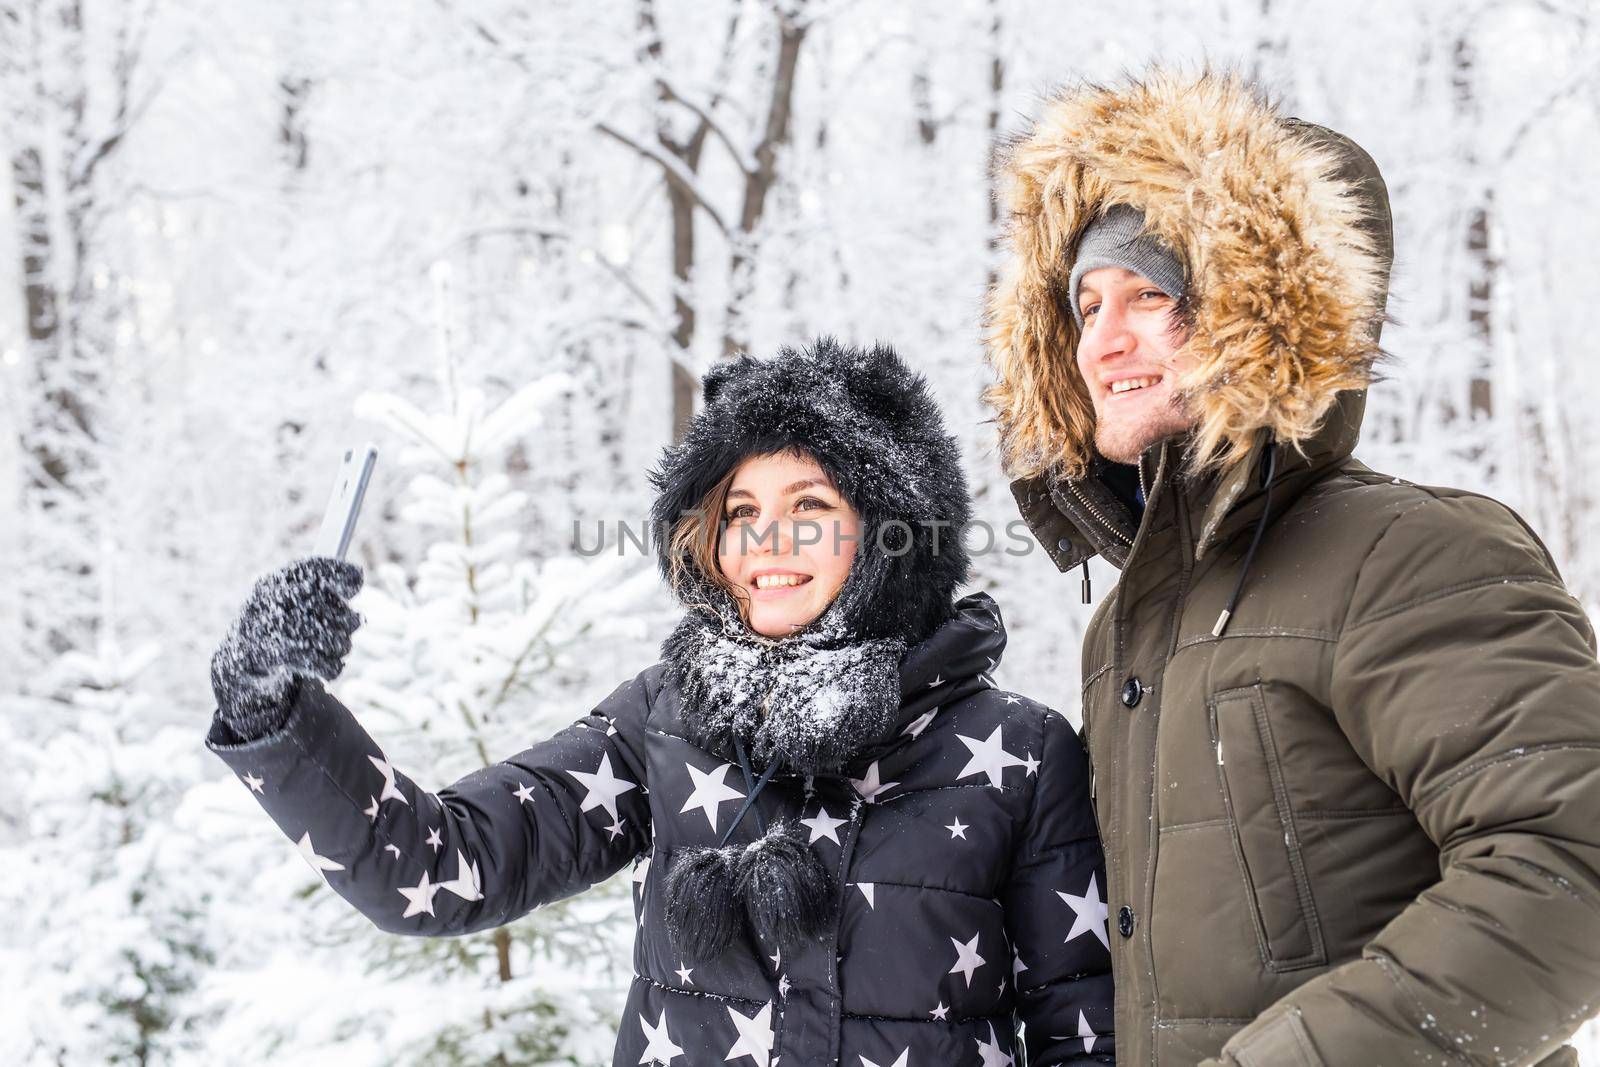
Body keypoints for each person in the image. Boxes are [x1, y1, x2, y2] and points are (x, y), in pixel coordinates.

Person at [206, 338, 1116, 1066]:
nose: (766, 540)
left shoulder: (1021, 753)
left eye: (809, 504)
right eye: (737, 510)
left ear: (888, 531)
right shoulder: (664, 720)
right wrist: (268, 705)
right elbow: (436, 868)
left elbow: (1088, 1038)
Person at [984, 69, 1600, 1066]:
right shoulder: (1126, 630)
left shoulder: (1412, 553)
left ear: (1253, 316)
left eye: (1151, 293)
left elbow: (1568, 864)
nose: (1105, 337)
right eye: (1086, 303)